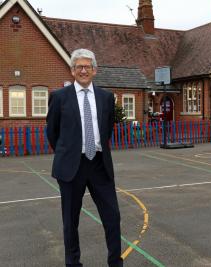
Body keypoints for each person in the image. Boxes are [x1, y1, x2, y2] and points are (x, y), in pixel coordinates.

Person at [46, 48, 123, 267]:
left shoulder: (106, 97)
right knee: (71, 221)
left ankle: (115, 262)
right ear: (72, 70)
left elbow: (107, 130)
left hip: (99, 164)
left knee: (113, 217)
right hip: (72, 167)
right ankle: (73, 263)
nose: (83, 70)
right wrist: (68, 151)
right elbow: (53, 132)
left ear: (94, 70)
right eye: (78, 66)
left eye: (87, 66)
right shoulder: (59, 97)